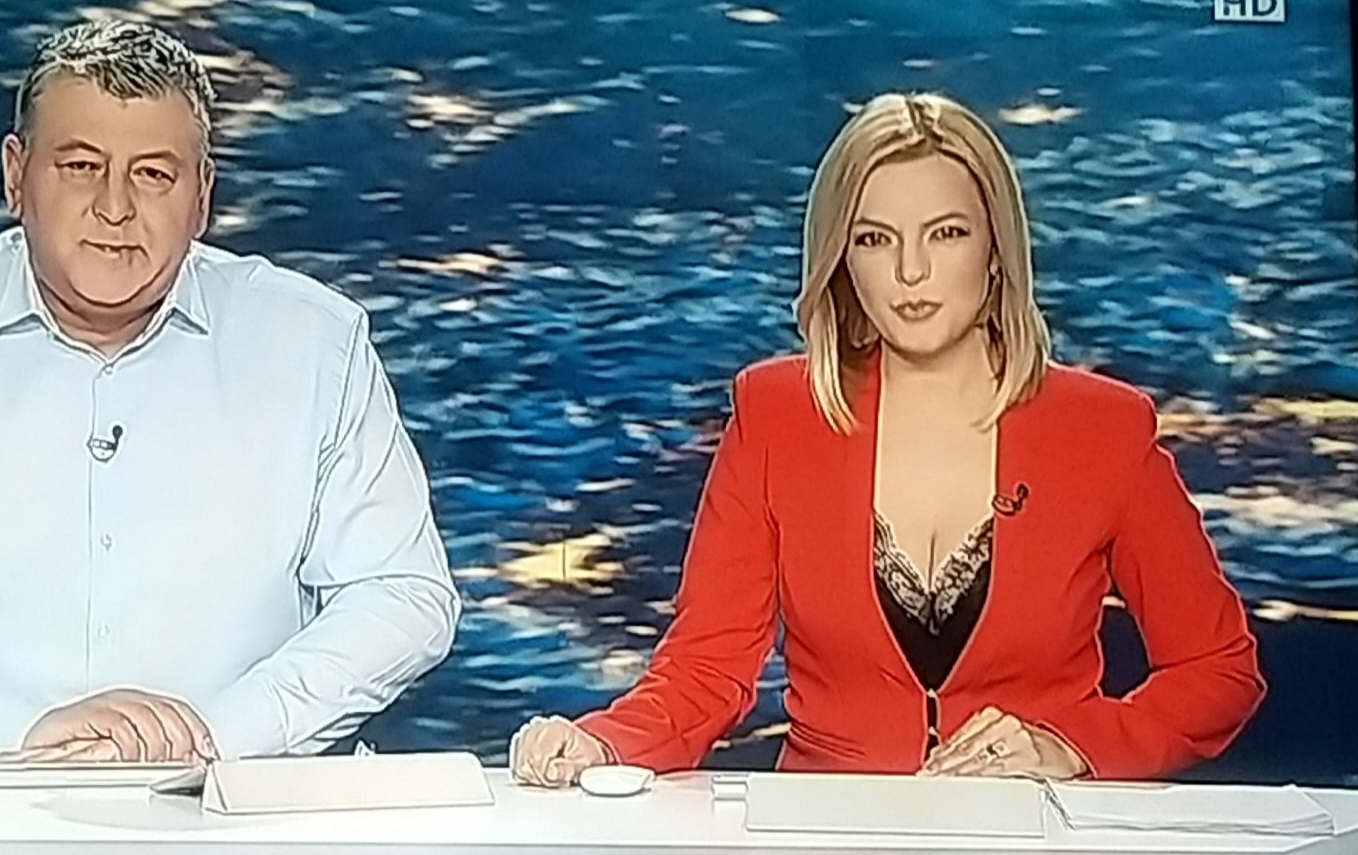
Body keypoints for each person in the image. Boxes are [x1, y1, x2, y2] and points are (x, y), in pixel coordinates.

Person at [0, 18, 460, 766]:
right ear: (16, 175)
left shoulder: (316, 342)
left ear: (202, 196)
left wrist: (215, 740)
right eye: (81, 166)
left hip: (240, 810)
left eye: (154, 174)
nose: (115, 208)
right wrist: (9, 733)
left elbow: (402, 594)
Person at [509, 92, 1264, 785]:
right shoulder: (776, 415)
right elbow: (707, 666)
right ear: (842, 259)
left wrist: (1071, 744)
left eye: (946, 234)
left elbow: (1218, 669)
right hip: (829, 838)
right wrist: (605, 742)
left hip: (1035, 839)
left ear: (996, 249)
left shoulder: (1103, 430)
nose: (910, 271)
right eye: (875, 239)